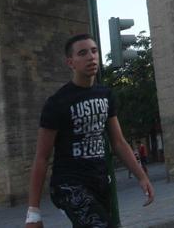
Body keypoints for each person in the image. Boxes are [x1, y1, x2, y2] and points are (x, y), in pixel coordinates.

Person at [26, 33, 154, 228]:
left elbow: (118, 143)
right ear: (71, 62)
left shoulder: (105, 94)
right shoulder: (57, 103)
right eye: (83, 53)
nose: (91, 57)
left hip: (100, 181)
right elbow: (42, 157)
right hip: (69, 185)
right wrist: (33, 212)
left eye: (94, 51)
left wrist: (142, 176)